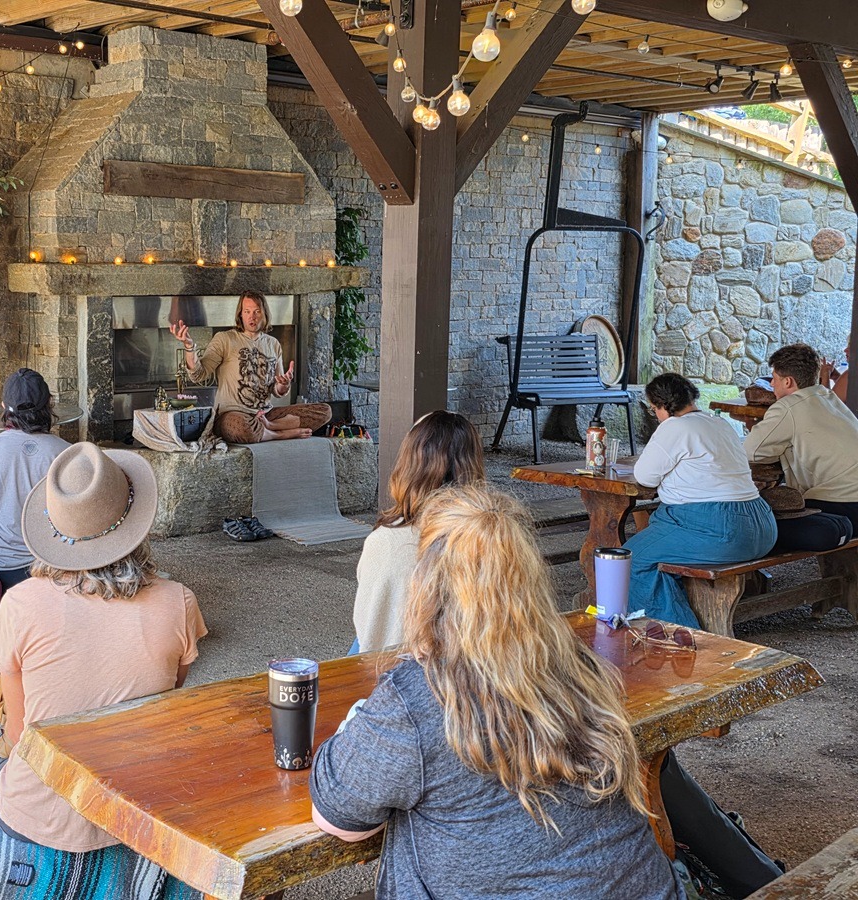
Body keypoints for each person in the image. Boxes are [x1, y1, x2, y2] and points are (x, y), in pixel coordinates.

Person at [311, 485, 682, 899]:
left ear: (425, 585)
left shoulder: (416, 698)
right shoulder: (580, 665)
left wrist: (356, 725)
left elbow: (339, 817)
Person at [0, 442, 206, 899]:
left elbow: (18, 731)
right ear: (136, 523)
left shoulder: (21, 603)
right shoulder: (178, 601)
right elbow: (168, 693)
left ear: (56, 527)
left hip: (38, 822)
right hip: (137, 811)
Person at [625, 373, 776, 628]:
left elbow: (645, 477)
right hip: (762, 526)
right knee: (654, 545)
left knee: (631, 558)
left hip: (720, 532)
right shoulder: (719, 423)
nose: (656, 415)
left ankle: (678, 635)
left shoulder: (675, 426)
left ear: (662, 404)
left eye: (654, 409)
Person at [351, 410, 483, 654]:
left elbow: (370, 633)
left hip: (398, 666)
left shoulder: (385, 541)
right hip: (470, 667)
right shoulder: (491, 537)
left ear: (409, 464)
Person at [170, 290, 331, 443]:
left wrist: (283, 384)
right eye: (247, 311)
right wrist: (189, 347)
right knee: (241, 428)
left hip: (265, 415)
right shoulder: (225, 339)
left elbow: (278, 391)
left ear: (264, 314)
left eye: (256, 311)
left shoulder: (273, 344)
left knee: (324, 412)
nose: (251, 317)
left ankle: (271, 428)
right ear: (240, 314)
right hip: (232, 415)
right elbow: (198, 375)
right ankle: (280, 434)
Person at [0, 368, 70, 590]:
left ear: (4, 406)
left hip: (3, 571)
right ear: (49, 404)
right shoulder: (67, 453)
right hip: (55, 568)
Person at [747, 342, 858, 533]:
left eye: (774, 378)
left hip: (842, 505)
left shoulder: (788, 406)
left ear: (788, 382)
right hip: (850, 500)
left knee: (754, 519)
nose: (772, 384)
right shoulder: (828, 397)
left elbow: (751, 453)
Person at [820, 335, 850, 403]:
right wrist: (836, 377)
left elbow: (829, 406)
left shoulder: (852, 374)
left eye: (851, 347)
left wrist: (825, 378)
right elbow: (849, 391)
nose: (845, 350)